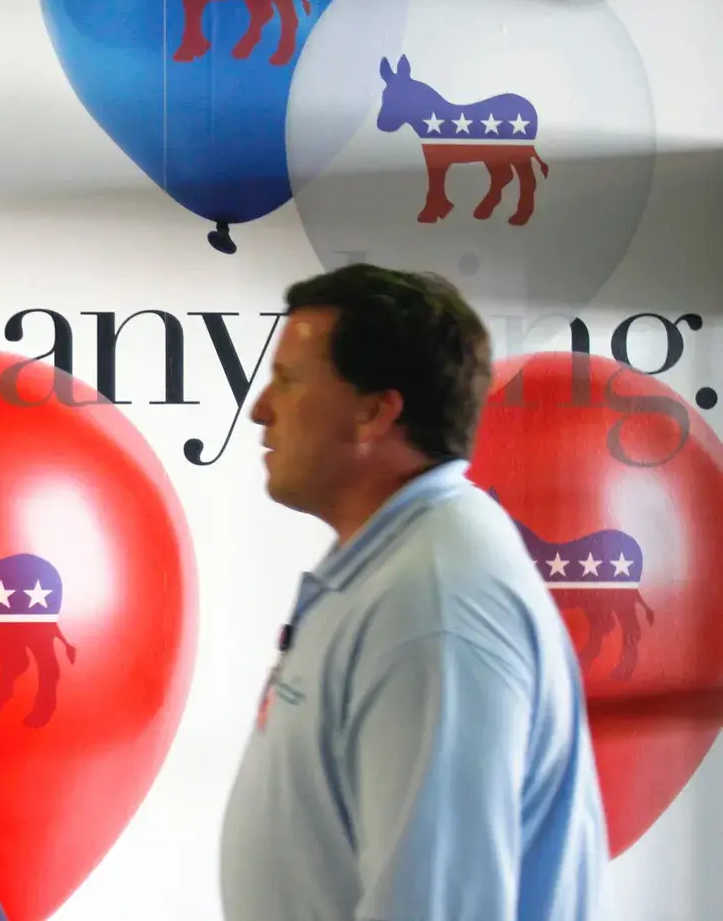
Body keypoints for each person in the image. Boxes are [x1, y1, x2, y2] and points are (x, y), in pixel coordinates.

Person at [218, 263, 608, 921]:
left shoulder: (433, 603)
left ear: (375, 411)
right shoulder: (396, 564)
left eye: (288, 380)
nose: (260, 408)